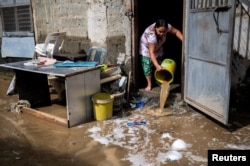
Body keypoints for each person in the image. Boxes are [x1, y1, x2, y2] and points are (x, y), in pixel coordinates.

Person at [139, 19, 183, 91]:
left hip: (158, 46)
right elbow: (151, 52)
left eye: (164, 31)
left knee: (160, 65)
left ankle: (159, 81)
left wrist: (184, 40)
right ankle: (149, 84)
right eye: (160, 31)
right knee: (147, 66)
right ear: (155, 28)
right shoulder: (151, 35)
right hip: (147, 49)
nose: (162, 33)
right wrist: (156, 65)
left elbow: (176, 32)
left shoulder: (167, 27)